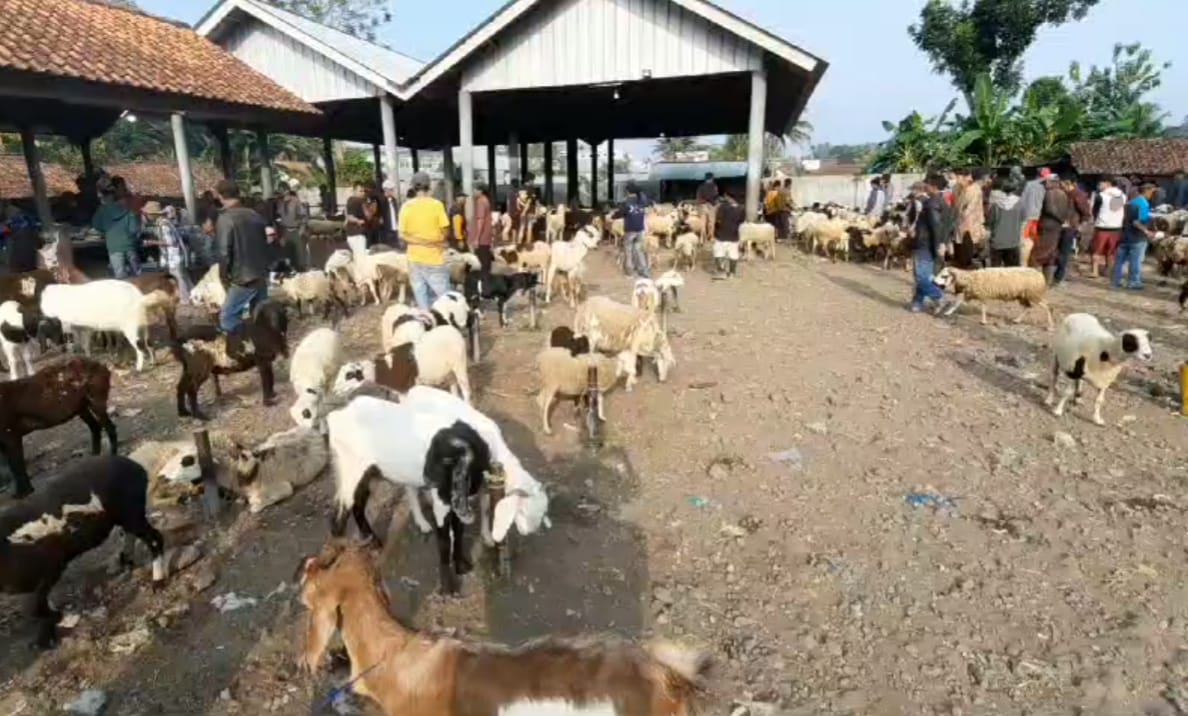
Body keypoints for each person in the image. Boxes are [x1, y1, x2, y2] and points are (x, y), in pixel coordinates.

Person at [215, 179, 271, 334]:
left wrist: (224, 277)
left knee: (228, 317)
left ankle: (242, 347)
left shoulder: (226, 218)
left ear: (220, 196)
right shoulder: (255, 215)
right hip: (261, 272)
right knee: (260, 316)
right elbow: (265, 243)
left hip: (243, 277)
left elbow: (224, 252)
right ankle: (264, 349)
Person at [399, 172, 451, 309]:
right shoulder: (436, 205)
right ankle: (445, 324)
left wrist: (420, 242)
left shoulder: (406, 206)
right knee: (444, 296)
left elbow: (402, 235)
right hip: (434, 256)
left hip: (414, 258)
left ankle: (426, 320)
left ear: (413, 187)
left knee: (420, 293)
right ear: (429, 186)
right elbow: (445, 229)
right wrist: (434, 241)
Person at [908, 173, 951, 313]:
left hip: (925, 243)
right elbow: (948, 225)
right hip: (930, 243)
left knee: (921, 276)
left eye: (926, 183)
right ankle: (917, 302)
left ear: (933, 187)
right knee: (924, 274)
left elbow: (936, 225)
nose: (924, 186)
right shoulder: (942, 202)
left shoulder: (932, 203)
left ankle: (939, 297)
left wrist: (939, 244)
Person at [143, 202, 192, 304]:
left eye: (148, 213)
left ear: (153, 214)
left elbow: (170, 241)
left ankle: (185, 299)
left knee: (179, 278)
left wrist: (152, 242)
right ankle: (192, 295)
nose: (146, 216)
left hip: (175, 256)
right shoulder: (163, 222)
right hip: (176, 255)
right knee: (183, 277)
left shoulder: (164, 225)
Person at [92, 182, 142, 278]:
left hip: (113, 246)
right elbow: (134, 229)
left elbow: (96, 225)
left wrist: (106, 231)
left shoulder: (102, 209)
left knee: (120, 277)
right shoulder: (128, 209)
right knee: (137, 276)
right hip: (130, 246)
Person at [1113, 181, 1157, 290]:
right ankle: (1134, 282)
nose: (1152, 195)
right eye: (1152, 192)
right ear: (1147, 191)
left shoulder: (1130, 202)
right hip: (1137, 237)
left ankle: (1116, 280)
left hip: (1125, 235)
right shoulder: (1144, 204)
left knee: (1120, 260)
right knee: (1136, 260)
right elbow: (1137, 222)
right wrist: (1147, 232)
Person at [1031, 174, 1069, 284]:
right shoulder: (1063, 193)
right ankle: (1047, 281)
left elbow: (1050, 209)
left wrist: (1060, 219)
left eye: (1046, 182)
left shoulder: (1050, 193)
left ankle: (1032, 282)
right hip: (1056, 227)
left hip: (1048, 225)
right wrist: (1062, 220)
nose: (1044, 185)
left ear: (1053, 182)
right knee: (1050, 255)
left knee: (1035, 256)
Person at [1054, 177, 1091, 285]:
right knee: (1058, 251)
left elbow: (1086, 212)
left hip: (1070, 226)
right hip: (1061, 226)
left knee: (1064, 253)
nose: (1061, 186)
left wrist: (1080, 225)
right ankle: (1057, 275)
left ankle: (1059, 277)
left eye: (1062, 184)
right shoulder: (1063, 194)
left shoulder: (1078, 195)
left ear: (1068, 183)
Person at [1090, 176, 1126, 279]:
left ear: (1107, 183)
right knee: (1111, 251)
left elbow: (1095, 211)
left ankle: (1095, 271)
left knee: (1096, 250)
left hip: (1102, 226)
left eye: (1100, 183)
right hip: (1116, 227)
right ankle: (1108, 270)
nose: (1099, 186)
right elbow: (1115, 209)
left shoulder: (1101, 196)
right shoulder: (1122, 196)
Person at [613, 182, 652, 278]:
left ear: (627, 191)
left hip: (630, 230)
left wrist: (613, 216)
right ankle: (644, 272)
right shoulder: (642, 201)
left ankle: (629, 273)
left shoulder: (626, 202)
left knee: (628, 251)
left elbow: (619, 214)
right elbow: (648, 204)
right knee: (639, 250)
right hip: (640, 229)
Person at [985, 177, 1024, 267]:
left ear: (1002, 189)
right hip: (1013, 242)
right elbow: (1022, 219)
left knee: (995, 272)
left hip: (997, 242)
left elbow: (990, 222)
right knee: (1012, 272)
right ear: (1015, 189)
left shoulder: (996, 205)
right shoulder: (1020, 204)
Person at [952, 168, 986, 269]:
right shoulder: (956, 187)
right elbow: (954, 205)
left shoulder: (975, 189)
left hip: (971, 225)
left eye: (959, 177)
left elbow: (970, 208)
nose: (957, 180)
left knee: (969, 252)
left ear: (967, 177)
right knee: (959, 251)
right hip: (958, 224)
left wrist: (961, 216)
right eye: (956, 177)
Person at [713, 191, 745, 279]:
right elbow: (742, 221)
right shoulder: (741, 209)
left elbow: (718, 220)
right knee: (733, 254)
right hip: (734, 235)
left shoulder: (723, 207)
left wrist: (715, 229)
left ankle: (721, 272)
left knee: (719, 253)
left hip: (721, 235)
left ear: (729, 197)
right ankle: (732, 273)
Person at [277, 179, 308, 270]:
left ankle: (302, 273)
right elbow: (279, 218)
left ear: (287, 191)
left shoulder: (296, 202)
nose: (281, 193)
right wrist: (281, 235)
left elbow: (304, 217)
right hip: (286, 231)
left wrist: (301, 230)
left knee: (299, 257)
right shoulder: (281, 203)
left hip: (296, 230)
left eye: (282, 190)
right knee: (288, 257)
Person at [1020, 168, 1048, 264]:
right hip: (1039, 218)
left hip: (1027, 217)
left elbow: (1022, 201)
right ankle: (1032, 262)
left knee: (1024, 241)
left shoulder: (1028, 185)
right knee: (1035, 241)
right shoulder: (1046, 187)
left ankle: (1023, 263)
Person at [472, 184, 494, 279]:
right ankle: (486, 280)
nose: (473, 192)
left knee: (481, 262)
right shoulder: (486, 200)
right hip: (487, 235)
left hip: (482, 237)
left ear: (480, 191)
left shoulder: (480, 201)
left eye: (475, 190)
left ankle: (483, 282)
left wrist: (477, 238)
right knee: (486, 261)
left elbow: (480, 220)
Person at [343, 181, 369, 257]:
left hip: (352, 233)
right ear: (354, 191)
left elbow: (347, 214)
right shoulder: (356, 201)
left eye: (364, 191)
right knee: (360, 256)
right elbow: (350, 216)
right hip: (357, 234)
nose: (363, 193)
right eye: (360, 191)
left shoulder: (351, 200)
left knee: (357, 255)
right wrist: (358, 221)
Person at [696, 172, 719, 242]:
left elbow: (698, 197)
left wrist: (702, 202)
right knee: (711, 222)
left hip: (703, 206)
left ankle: (702, 238)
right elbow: (715, 195)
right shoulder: (714, 186)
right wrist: (713, 202)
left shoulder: (701, 187)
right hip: (711, 205)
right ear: (712, 178)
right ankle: (711, 237)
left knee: (703, 223)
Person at [380, 179, 401, 248]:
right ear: (386, 190)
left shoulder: (394, 200)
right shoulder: (381, 201)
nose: (393, 191)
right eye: (391, 189)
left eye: (393, 189)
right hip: (386, 230)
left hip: (395, 229)